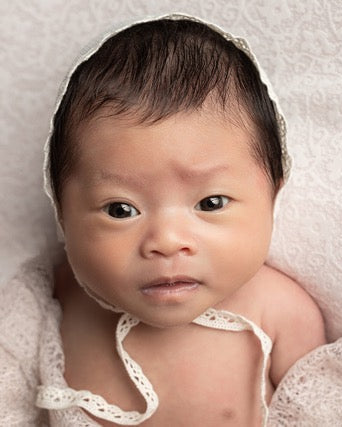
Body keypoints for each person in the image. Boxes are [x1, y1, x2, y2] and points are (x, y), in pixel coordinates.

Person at [0, 14, 326, 426]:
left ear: (273, 196)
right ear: (62, 214)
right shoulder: (53, 297)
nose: (167, 241)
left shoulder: (279, 313)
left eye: (210, 203)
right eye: (121, 210)